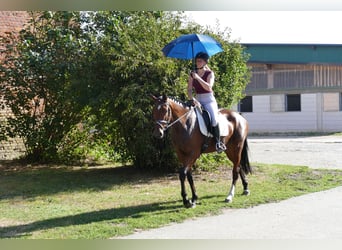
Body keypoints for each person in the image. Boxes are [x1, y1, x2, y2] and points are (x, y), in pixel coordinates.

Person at [187, 52, 226, 153]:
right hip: (198, 100)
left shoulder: (210, 73)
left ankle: (218, 143)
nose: (197, 63)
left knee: (213, 119)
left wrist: (198, 78)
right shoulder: (192, 73)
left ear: (205, 62)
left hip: (209, 100)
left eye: (200, 61)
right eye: (197, 61)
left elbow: (209, 87)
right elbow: (189, 89)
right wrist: (192, 99)